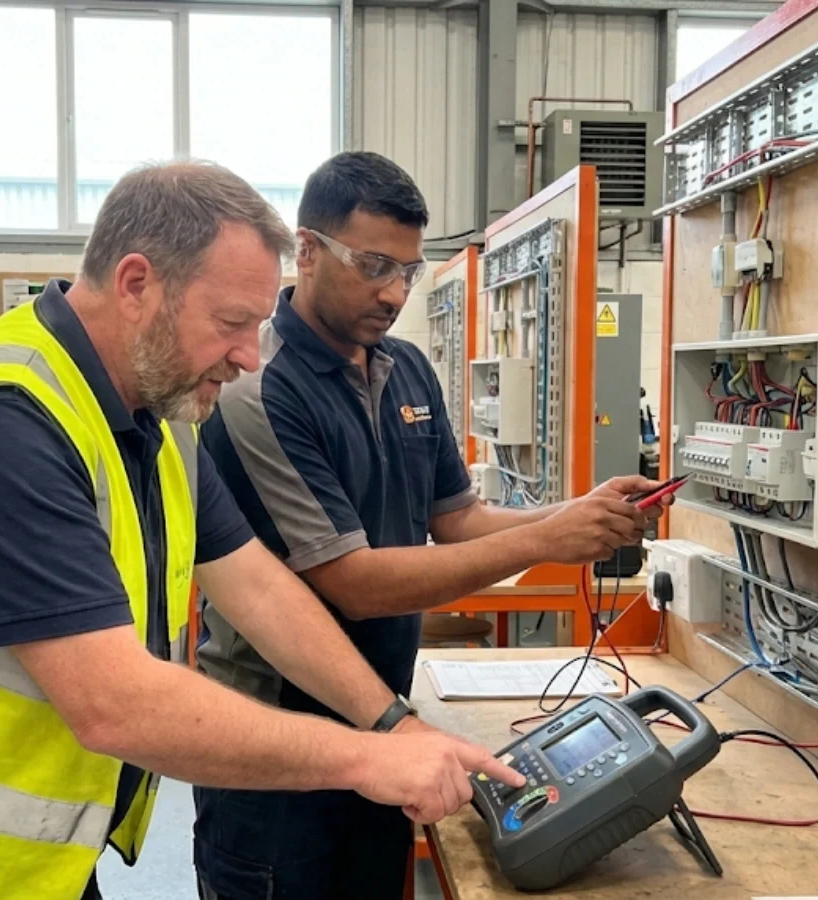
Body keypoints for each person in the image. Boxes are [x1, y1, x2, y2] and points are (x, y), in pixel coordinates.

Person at [0, 161, 522, 900]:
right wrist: (370, 759)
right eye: (231, 323)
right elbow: (116, 704)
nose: (251, 357)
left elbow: (257, 587)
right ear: (138, 283)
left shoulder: (159, 414)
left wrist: (393, 721)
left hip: (21, 856)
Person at [196, 151, 670, 900]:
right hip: (278, 745)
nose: (394, 292)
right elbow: (351, 584)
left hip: (386, 723)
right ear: (309, 250)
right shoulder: (261, 391)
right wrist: (547, 542)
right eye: (375, 265)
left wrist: (579, 512)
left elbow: (457, 519)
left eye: (409, 271)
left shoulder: (406, 368)